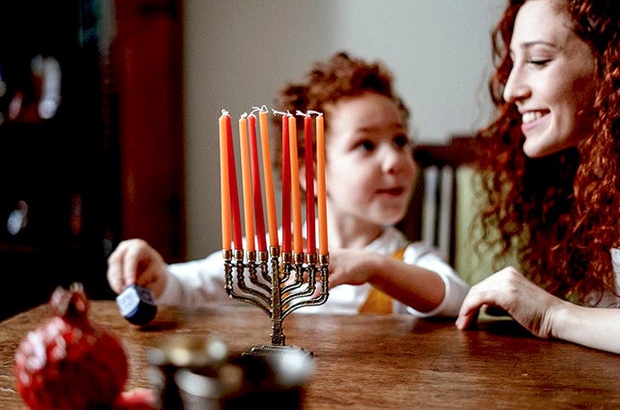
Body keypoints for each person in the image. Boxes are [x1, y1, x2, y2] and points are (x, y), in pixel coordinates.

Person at [107, 52, 469, 317]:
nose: (395, 161)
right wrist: (156, 274)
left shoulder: (405, 262)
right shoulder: (274, 255)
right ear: (310, 174)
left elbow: (455, 298)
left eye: (401, 141)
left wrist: (374, 267)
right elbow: (189, 286)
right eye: (366, 145)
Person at [455, 0, 620, 353]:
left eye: (539, 60)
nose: (511, 90)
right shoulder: (585, 181)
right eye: (511, 63)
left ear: (609, 62)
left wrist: (551, 315)